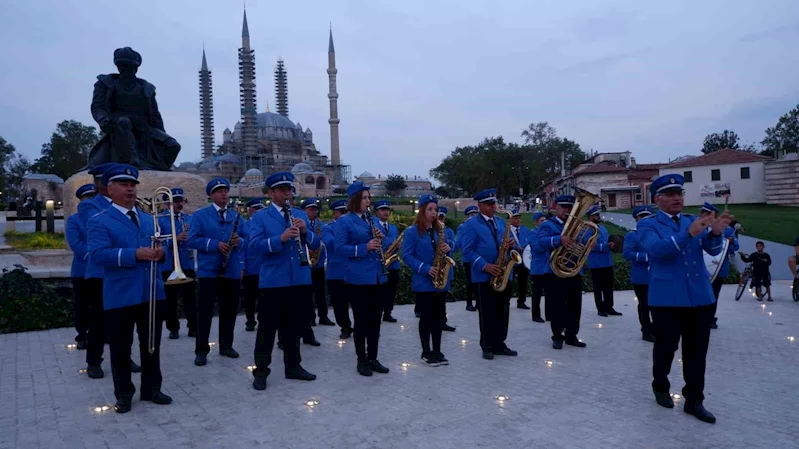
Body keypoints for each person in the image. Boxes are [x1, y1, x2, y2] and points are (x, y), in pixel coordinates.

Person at [638, 174, 732, 424]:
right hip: (667, 299)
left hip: (700, 297)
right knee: (666, 348)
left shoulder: (692, 220)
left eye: (679, 193)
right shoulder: (648, 225)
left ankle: (694, 400)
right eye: (670, 194)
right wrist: (688, 234)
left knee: (697, 352)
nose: (677, 198)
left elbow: (712, 250)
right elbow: (657, 251)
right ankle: (660, 385)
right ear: (657, 199)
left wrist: (715, 234)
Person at [86, 164, 172, 413]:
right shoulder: (99, 221)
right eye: (124, 184)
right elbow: (98, 255)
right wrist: (135, 254)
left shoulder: (148, 219)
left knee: (151, 345)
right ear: (109, 189)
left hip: (151, 292)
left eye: (133, 184)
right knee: (121, 348)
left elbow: (160, 250)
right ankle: (124, 393)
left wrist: (161, 253)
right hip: (120, 294)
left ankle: (152, 388)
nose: (130, 189)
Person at [248, 172, 319, 391]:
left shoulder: (300, 214)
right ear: (271, 193)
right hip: (273, 281)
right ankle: (260, 371)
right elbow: (254, 246)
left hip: (298, 278)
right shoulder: (260, 217)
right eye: (282, 190)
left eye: (289, 189)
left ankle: (293, 366)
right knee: (267, 329)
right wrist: (280, 238)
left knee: (294, 326)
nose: (287, 193)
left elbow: (316, 245)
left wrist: (306, 232)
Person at [79, 163, 141, 378]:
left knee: (126, 320)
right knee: (98, 318)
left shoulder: (133, 206)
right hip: (101, 272)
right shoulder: (90, 206)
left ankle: (126, 357)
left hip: (126, 271)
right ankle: (94, 361)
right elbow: (97, 234)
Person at [187, 178, 247, 366]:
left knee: (229, 310)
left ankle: (226, 346)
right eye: (220, 191)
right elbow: (192, 240)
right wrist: (215, 245)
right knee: (204, 312)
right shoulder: (201, 216)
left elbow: (247, 239)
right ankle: (201, 350)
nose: (224, 194)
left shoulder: (236, 216)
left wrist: (239, 242)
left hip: (231, 270)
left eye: (226, 191)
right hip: (209, 272)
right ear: (211, 195)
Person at [334, 181, 391, 376]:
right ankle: (362, 359)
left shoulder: (371, 220)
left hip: (377, 277)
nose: (368, 201)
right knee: (361, 322)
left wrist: (379, 239)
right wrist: (364, 247)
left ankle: (373, 357)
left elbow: (375, 243)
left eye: (369, 197)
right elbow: (339, 249)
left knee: (376, 321)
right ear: (355, 199)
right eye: (365, 197)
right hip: (358, 279)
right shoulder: (345, 221)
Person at [461, 188, 518, 360]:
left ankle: (500, 343)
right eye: (489, 204)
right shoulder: (471, 224)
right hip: (484, 275)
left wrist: (511, 245)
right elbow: (467, 251)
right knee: (487, 312)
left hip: (503, 273)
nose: (493, 206)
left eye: (494, 203)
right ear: (480, 205)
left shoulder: (501, 223)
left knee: (503, 310)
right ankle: (487, 345)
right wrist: (485, 266)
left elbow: (510, 245)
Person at [401, 194, 454, 366]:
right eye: (430, 209)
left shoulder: (440, 230)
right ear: (422, 211)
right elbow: (407, 256)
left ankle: (437, 351)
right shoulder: (412, 232)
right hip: (424, 282)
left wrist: (448, 248)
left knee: (439, 317)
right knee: (426, 318)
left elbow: (446, 250)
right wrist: (425, 268)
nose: (433, 213)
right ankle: (426, 352)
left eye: (435, 209)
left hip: (439, 282)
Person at [536, 195, 587, 350]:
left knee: (575, 305)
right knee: (557, 305)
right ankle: (557, 336)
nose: (567, 210)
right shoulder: (548, 225)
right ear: (556, 208)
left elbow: (585, 243)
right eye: (563, 207)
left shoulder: (578, 225)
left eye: (570, 207)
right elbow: (541, 242)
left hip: (573, 270)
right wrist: (559, 239)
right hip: (554, 271)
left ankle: (572, 335)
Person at [157, 187, 198, 340]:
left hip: (186, 263)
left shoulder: (189, 219)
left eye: (181, 201)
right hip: (168, 264)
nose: (179, 204)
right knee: (170, 300)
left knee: (191, 297)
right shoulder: (160, 219)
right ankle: (173, 328)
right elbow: (157, 241)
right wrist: (174, 239)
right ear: (168, 204)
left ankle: (193, 327)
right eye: (175, 201)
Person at [66, 184, 97, 350]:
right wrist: (95, 255)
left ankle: (100, 333)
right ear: (82, 200)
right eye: (88, 197)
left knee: (99, 305)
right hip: (82, 269)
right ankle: (82, 336)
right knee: (82, 305)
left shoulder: (102, 218)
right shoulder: (74, 220)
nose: (91, 200)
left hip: (99, 270)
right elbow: (76, 243)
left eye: (93, 196)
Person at [698, 202, 738, 328]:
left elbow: (735, 247)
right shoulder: (698, 227)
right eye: (701, 212)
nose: (701, 215)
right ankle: (699, 317)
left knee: (713, 295)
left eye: (704, 213)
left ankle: (710, 318)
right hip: (701, 268)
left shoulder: (727, 229)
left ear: (712, 214)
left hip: (718, 268)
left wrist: (730, 242)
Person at [623, 206, 655, 342]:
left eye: (648, 217)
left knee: (658, 305)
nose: (645, 219)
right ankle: (646, 331)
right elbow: (627, 253)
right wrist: (646, 257)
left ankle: (657, 329)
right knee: (644, 305)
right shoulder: (632, 235)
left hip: (657, 275)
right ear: (637, 220)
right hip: (641, 276)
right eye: (641, 217)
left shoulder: (656, 234)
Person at [302, 198, 336, 326]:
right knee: (308, 293)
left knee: (322, 292)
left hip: (319, 262)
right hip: (306, 263)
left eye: (315, 209)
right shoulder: (302, 224)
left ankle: (323, 316)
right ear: (304, 211)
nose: (314, 212)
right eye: (311, 209)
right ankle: (310, 317)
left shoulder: (321, 225)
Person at [324, 200, 353, 338]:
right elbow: (331, 244)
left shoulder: (352, 226)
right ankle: (345, 327)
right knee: (339, 304)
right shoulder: (328, 228)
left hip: (353, 270)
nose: (343, 216)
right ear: (334, 214)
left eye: (345, 213)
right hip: (336, 272)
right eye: (340, 213)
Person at [586, 205, 621, 317]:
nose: (598, 216)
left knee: (608, 287)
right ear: (590, 217)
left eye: (598, 214)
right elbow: (589, 245)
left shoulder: (603, 228)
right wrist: (606, 246)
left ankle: (609, 307)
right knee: (598, 288)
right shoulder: (587, 229)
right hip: (596, 263)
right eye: (596, 215)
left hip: (607, 261)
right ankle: (600, 309)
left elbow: (608, 241)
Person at [373, 200, 401, 323]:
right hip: (380, 263)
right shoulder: (373, 226)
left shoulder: (394, 227)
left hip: (393, 263)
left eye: (387, 210)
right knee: (380, 290)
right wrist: (391, 241)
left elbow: (398, 243)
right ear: (377, 212)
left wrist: (399, 245)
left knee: (392, 289)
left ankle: (388, 312)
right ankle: (378, 312)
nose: (386, 212)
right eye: (382, 210)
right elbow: (381, 242)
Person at [243, 198, 266, 332]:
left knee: (263, 297)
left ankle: (263, 319)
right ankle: (250, 321)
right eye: (256, 209)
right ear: (250, 210)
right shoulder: (245, 225)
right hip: (250, 266)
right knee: (249, 297)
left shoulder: (264, 224)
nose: (259, 211)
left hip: (264, 266)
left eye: (260, 209)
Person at [437, 207, 457, 332]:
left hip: (445, 267)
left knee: (442, 297)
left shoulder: (448, 231)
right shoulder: (430, 230)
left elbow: (456, 246)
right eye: (438, 217)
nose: (440, 220)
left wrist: (448, 244)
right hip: (435, 267)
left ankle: (443, 321)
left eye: (442, 217)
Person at [456, 205, 479, 312]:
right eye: (471, 214)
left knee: (479, 282)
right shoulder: (463, 227)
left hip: (479, 258)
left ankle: (479, 302)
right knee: (470, 282)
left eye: (475, 214)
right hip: (468, 259)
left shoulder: (480, 226)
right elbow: (459, 242)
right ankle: (469, 303)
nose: (473, 216)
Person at [528, 212, 548, 323]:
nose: (544, 223)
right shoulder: (533, 233)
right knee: (537, 293)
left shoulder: (547, 233)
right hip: (538, 268)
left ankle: (550, 314)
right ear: (536, 222)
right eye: (542, 221)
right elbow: (537, 248)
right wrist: (549, 242)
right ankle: (536, 315)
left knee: (549, 293)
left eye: (545, 220)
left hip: (548, 267)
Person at [508, 209, 530, 310]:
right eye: (515, 218)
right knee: (509, 282)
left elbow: (530, 241)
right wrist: (515, 247)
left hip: (523, 260)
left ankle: (521, 301)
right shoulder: (507, 230)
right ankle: (506, 300)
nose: (518, 220)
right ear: (510, 219)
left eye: (519, 218)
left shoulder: (525, 229)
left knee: (523, 282)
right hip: (511, 259)